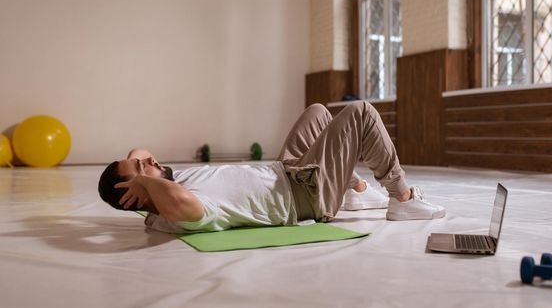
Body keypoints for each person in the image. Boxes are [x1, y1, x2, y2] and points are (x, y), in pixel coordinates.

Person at [98, 101, 445, 233]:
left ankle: (353, 191)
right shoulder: (175, 210)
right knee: (362, 113)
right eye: (142, 168)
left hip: (288, 171)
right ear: (137, 193)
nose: (148, 160)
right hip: (304, 195)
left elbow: (139, 151)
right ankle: (402, 197)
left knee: (318, 112)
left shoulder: (162, 184)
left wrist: (139, 171)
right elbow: (178, 204)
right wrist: (145, 181)